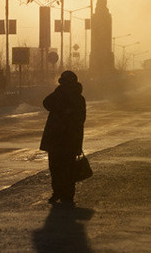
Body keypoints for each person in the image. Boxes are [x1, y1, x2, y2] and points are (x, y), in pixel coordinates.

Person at [40, 70, 86, 205]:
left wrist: (59, 93)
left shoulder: (73, 97)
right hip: (66, 139)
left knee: (59, 168)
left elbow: (47, 103)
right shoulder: (77, 97)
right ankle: (64, 194)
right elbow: (46, 103)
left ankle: (63, 194)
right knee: (62, 168)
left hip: (61, 138)